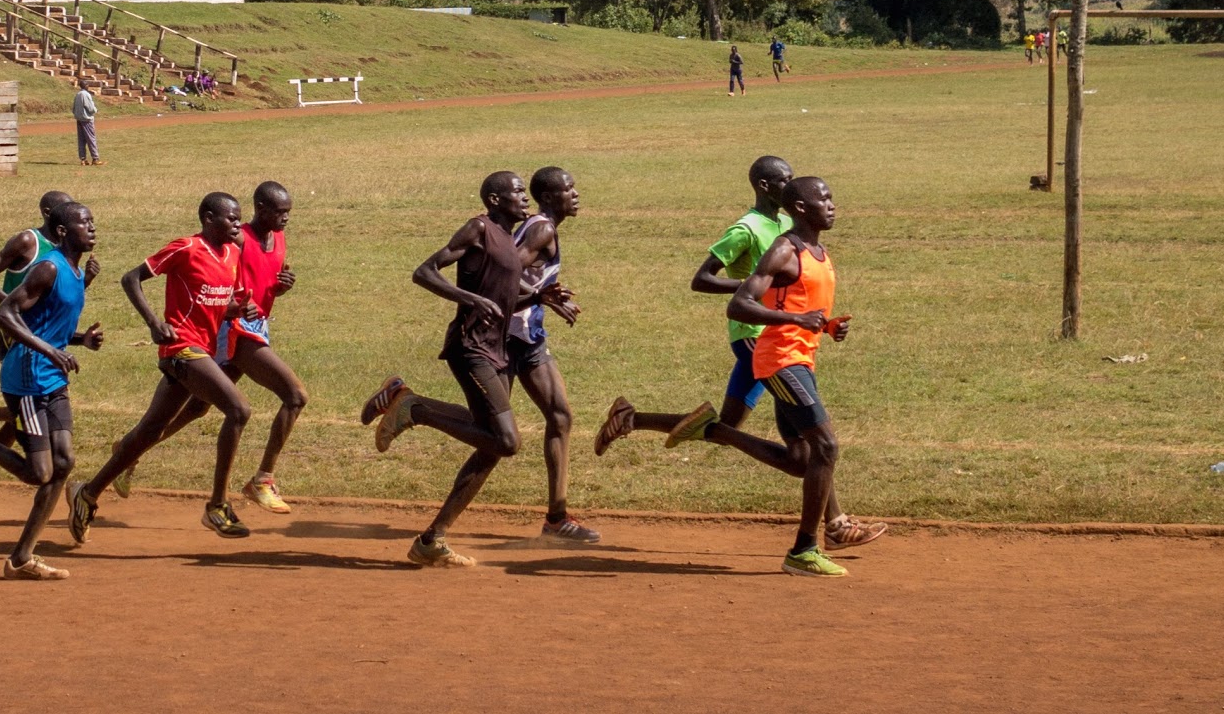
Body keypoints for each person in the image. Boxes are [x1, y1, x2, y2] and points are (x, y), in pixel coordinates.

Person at [594, 158, 882, 550]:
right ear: (766, 186)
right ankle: (833, 523)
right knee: (818, 443)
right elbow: (703, 279)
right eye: (784, 181)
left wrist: (816, 320)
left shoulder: (788, 227)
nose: (792, 185)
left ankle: (633, 417)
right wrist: (761, 293)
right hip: (755, 336)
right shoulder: (747, 229)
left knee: (750, 433)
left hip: (783, 333)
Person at [355, 171, 555, 567]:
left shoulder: (511, 245)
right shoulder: (478, 228)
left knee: (490, 447)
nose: (524, 198)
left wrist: (541, 296)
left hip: (496, 350)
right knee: (507, 442)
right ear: (495, 200)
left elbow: (500, 298)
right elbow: (424, 272)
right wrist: (469, 299)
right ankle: (415, 408)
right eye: (516, 192)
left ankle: (431, 540)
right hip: (470, 348)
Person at [67, 193, 257, 544]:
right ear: (208, 218)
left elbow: (213, 303)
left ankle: (87, 493)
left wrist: (235, 310)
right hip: (179, 349)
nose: (236, 224)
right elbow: (130, 279)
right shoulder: (186, 248)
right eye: (230, 218)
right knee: (239, 409)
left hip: (199, 350)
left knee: (148, 433)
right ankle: (217, 505)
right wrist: (154, 322)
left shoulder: (231, 253)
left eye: (238, 218)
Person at [0, 202, 105, 579]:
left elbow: (46, 325)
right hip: (27, 379)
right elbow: (5, 314)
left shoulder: (76, 273)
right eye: (83, 222)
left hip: (53, 379)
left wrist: (79, 340)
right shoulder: (49, 268)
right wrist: (49, 350)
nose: (91, 227)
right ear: (61, 232)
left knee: (63, 464)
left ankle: (21, 558)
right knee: (38, 472)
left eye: (92, 221)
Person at [699, 177, 858, 577]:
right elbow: (739, 305)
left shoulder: (818, 251)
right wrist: (795, 319)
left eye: (831, 197)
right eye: (823, 199)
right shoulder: (784, 250)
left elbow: (803, 304)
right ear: (801, 208)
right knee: (826, 446)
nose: (832, 204)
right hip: (778, 361)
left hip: (801, 359)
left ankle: (716, 430)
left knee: (800, 458)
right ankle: (804, 550)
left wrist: (824, 326)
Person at [122, 180, 310, 514]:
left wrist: (281, 288)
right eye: (280, 212)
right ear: (260, 209)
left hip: (255, 325)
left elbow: (262, 281)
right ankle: (262, 480)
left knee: (197, 408)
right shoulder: (238, 237)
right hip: (233, 329)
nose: (285, 219)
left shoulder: (278, 238)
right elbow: (216, 273)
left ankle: (128, 452)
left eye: (288, 213)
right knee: (294, 396)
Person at [507, 166, 596, 543]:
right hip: (506, 335)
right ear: (548, 197)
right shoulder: (542, 228)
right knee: (492, 435)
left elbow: (529, 275)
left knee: (560, 416)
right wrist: (540, 296)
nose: (575, 194)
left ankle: (556, 519)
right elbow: (503, 275)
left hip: (527, 335)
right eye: (567, 189)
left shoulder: (543, 228)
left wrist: (549, 296)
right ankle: (412, 405)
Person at [72, 80, 101, 165]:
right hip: (87, 120)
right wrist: (95, 110)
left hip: (79, 119)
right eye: (87, 84)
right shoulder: (86, 95)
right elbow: (90, 108)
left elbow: (73, 108)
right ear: (85, 86)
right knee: (91, 138)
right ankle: (95, 158)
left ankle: (83, 159)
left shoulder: (77, 95)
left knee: (81, 140)